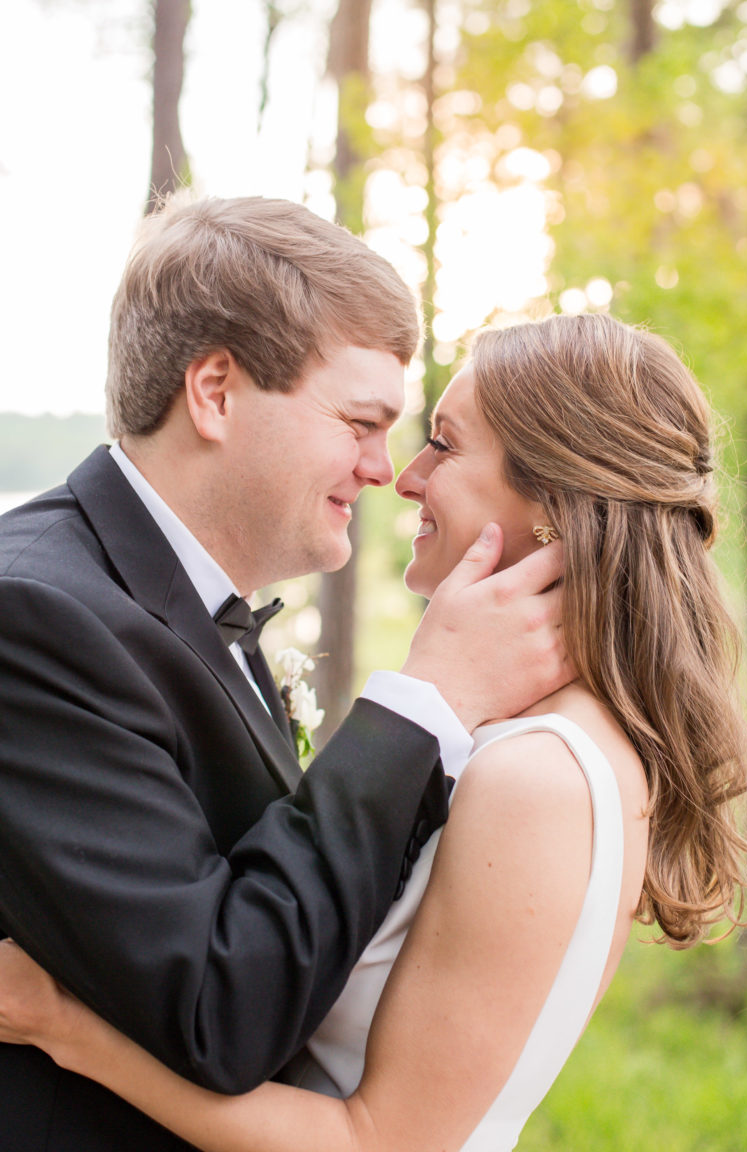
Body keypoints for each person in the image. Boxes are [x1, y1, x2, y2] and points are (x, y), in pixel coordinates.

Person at [0, 313, 747, 1152]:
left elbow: (380, 1142)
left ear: (553, 498)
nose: (404, 477)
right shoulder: (522, 734)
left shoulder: (542, 778)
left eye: (444, 443)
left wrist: (64, 1024)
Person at [0, 196, 570, 1152]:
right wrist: (420, 705)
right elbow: (222, 1010)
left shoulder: (173, 600)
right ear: (216, 391)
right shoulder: (37, 617)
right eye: (359, 420)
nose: (384, 468)